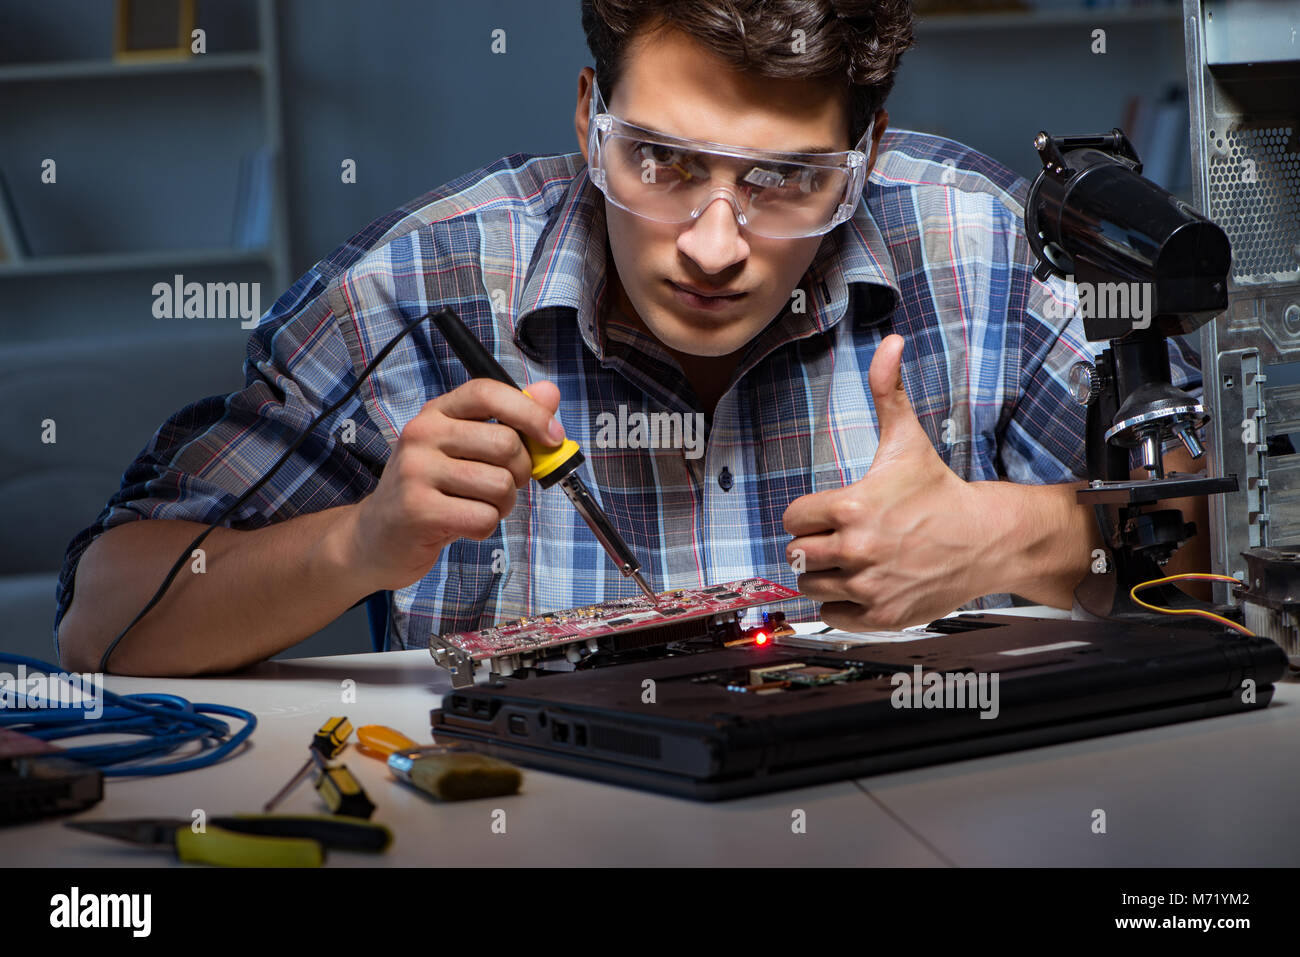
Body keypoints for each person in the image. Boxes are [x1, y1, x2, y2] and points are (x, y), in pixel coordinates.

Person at [56, 0, 1206, 676]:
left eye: (786, 180)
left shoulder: (979, 245)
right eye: (658, 161)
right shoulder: (416, 282)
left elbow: (1232, 555)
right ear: (584, 122)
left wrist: (1017, 541)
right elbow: (100, 622)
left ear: (867, 158)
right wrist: (359, 544)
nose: (711, 245)